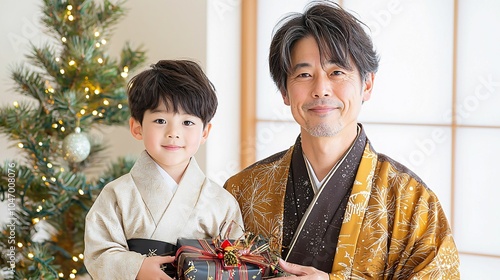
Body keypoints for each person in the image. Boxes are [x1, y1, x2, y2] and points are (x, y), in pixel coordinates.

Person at [224, 1, 460, 279]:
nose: (321, 89)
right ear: (284, 92)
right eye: (304, 74)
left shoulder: (412, 201)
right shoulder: (243, 191)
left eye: (337, 72)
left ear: (367, 84)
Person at [84, 60, 244, 280]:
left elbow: (236, 261)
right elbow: (98, 254)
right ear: (137, 127)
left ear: (205, 132)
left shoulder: (220, 202)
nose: (173, 133)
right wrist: (137, 268)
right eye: (160, 120)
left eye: (187, 123)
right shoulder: (117, 195)